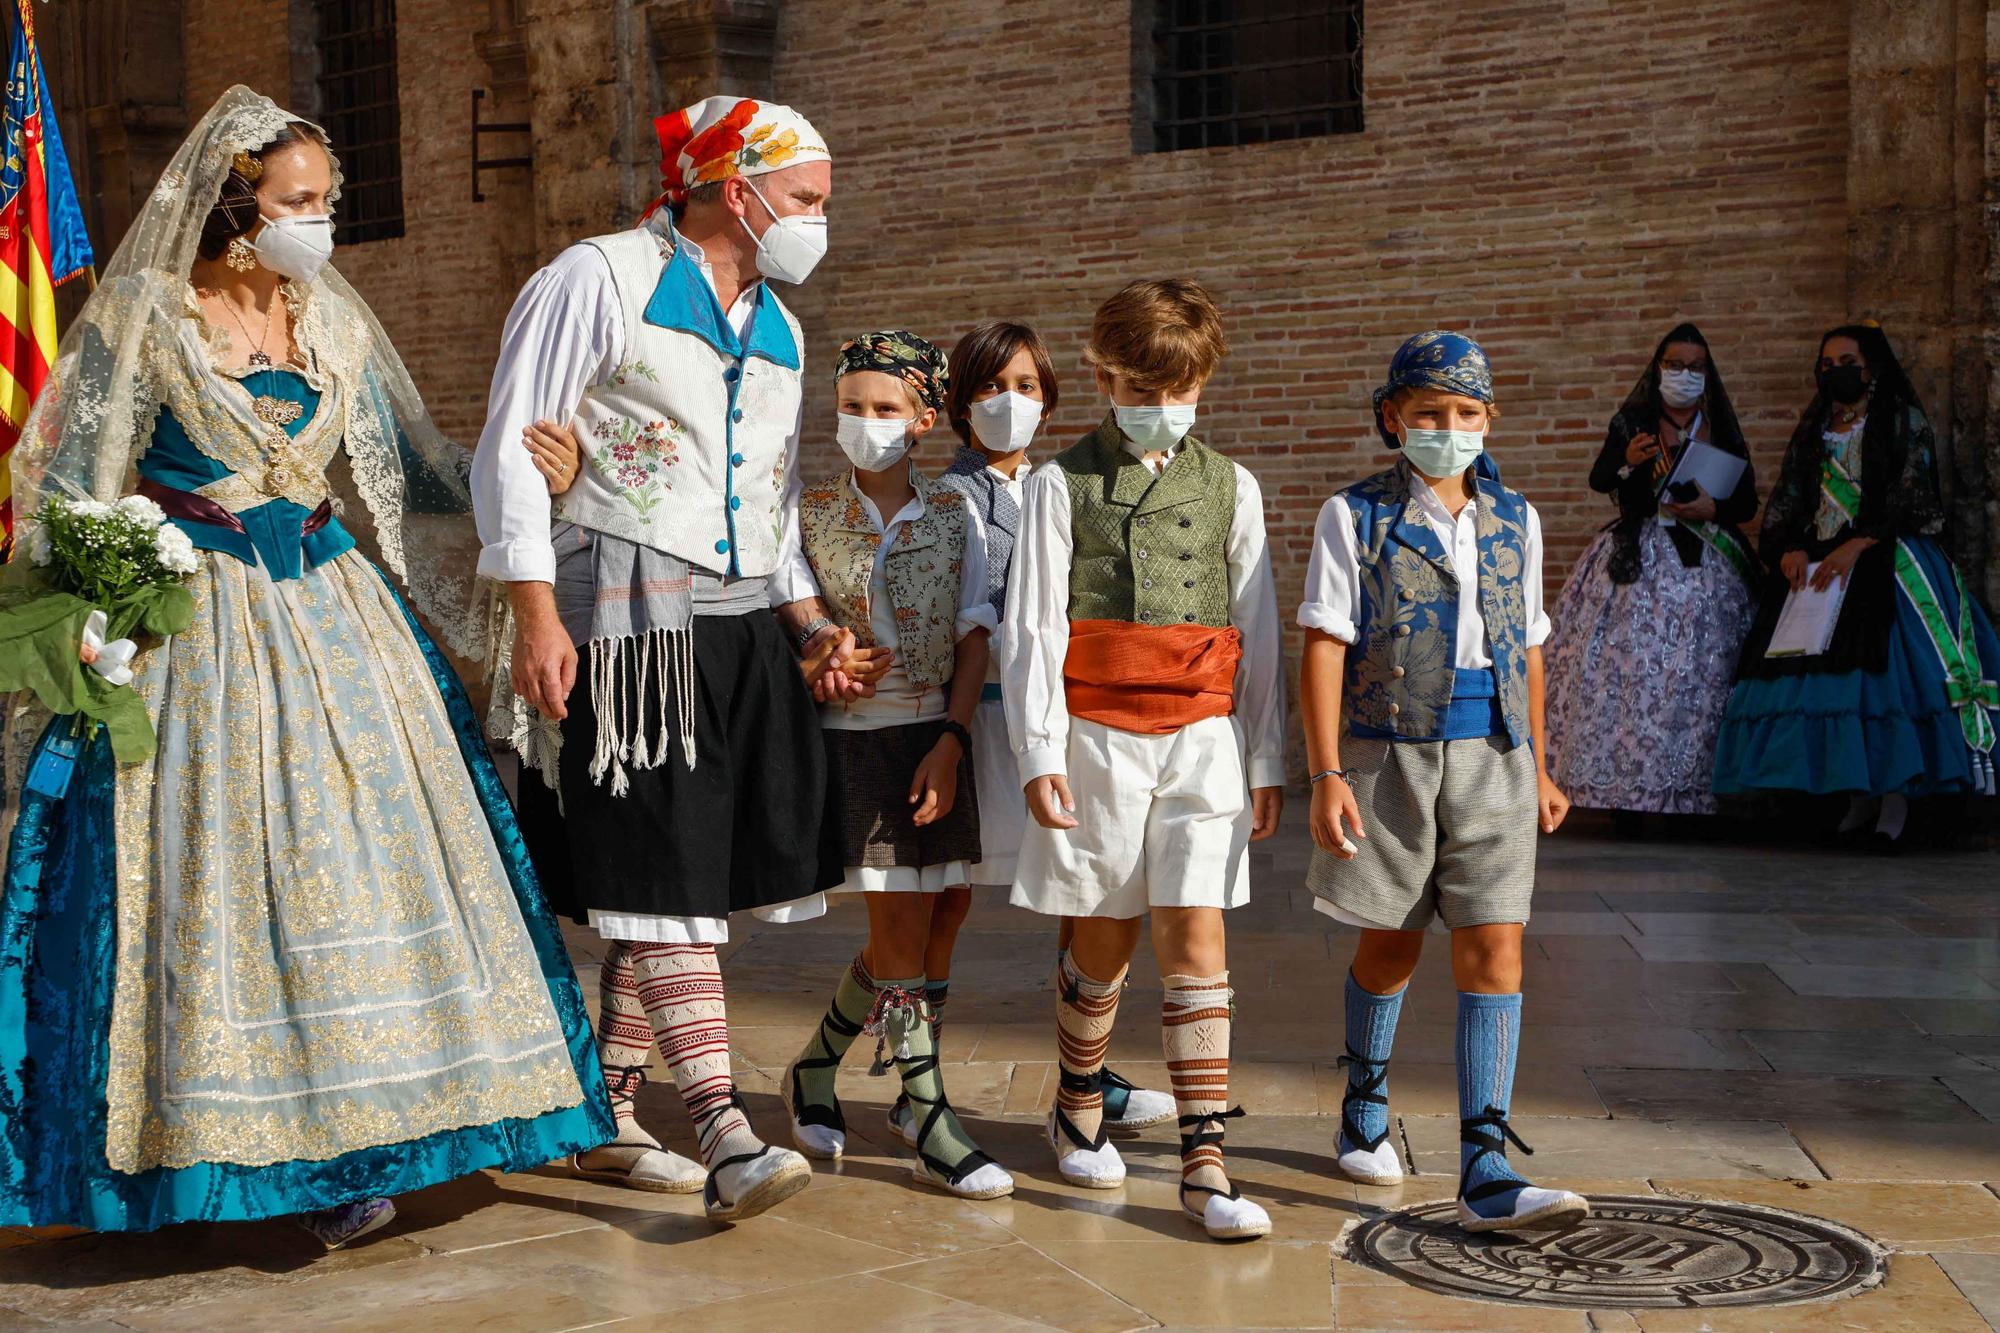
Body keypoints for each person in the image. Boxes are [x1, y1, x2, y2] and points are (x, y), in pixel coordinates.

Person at [0, 87, 612, 1248]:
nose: (319, 223)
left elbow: (424, 481)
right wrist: (113, 571)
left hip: (337, 614)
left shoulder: (329, 317)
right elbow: (64, 479)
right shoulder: (151, 315)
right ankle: (236, 1155)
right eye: (299, 203)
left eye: (327, 202)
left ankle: (371, 1140)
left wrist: (552, 479)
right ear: (236, 207)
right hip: (204, 622)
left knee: (367, 859)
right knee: (224, 877)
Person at [473, 94, 844, 1222]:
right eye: (806, 200)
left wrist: (810, 622)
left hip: (737, 627)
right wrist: (538, 612)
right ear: (738, 190)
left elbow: (770, 503)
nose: (819, 223)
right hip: (632, 621)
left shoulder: (777, 323)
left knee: (684, 877)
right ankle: (726, 1129)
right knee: (665, 876)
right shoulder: (598, 277)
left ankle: (605, 1108)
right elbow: (510, 447)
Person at [1003, 280, 1285, 1241]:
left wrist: (1267, 756)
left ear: (1203, 381)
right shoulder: (1057, 483)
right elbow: (1034, 625)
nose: (1160, 401)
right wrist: (1039, 747)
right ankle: (1079, 1097)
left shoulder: (1233, 485)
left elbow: (1258, 624)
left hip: (1204, 736)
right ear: (1101, 374)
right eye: (1138, 382)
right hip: (1097, 735)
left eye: (1179, 385)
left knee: (1196, 933)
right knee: (1106, 934)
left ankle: (1206, 1160)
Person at [1299, 330, 1587, 1234]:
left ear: (1489, 419)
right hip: (1390, 757)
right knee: (1390, 944)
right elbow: (1323, 642)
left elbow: (1531, 644)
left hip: (1494, 754)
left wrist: (1540, 762)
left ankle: (1486, 1159)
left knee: (1495, 946)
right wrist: (1326, 772)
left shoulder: (1517, 518)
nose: (1447, 428)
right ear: (1393, 417)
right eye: (1428, 413)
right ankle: (1366, 1097)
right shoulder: (1356, 516)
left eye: (1466, 414)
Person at [880, 321, 1177, 1148]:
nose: (1009, 403)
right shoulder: (946, 500)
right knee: (932, 904)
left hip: (1053, 719)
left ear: (1049, 398)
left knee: (1084, 893)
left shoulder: (1063, 486)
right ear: (958, 402)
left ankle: (1087, 1074)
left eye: (1026, 386)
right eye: (989, 387)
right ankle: (913, 1080)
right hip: (962, 719)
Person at [776, 330, 1014, 1200]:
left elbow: (974, 633)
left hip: (934, 736)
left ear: (921, 419)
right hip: (852, 744)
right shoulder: (802, 511)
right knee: (900, 930)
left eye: (885, 409)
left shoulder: (955, 513)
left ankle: (814, 1065)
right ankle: (931, 1117)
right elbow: (789, 616)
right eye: (851, 406)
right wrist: (823, 652)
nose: (865, 423)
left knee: (927, 915)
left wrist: (952, 739)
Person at [1713, 323, 1999, 845]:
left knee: (1882, 679)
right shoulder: (1815, 425)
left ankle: (1895, 802)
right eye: (1825, 363)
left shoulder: (1901, 420)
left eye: (1846, 361)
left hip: (1883, 560)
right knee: (1822, 680)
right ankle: (1857, 796)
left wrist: (1860, 542)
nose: (1834, 371)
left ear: (1872, 368)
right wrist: (1790, 546)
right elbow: (1793, 494)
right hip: (1820, 564)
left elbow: (1912, 493)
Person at [1544, 323, 1760, 830]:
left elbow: (1746, 501)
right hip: (1637, 557)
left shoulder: (1720, 427)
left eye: (1695, 366)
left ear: (1707, 374)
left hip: (1708, 561)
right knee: (1631, 671)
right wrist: (1627, 462)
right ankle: (1626, 797)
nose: (1683, 374)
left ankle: (1694, 797)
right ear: (1658, 367)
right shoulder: (1634, 421)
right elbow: (1601, 479)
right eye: (1674, 364)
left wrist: (1714, 507)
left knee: (1702, 675)